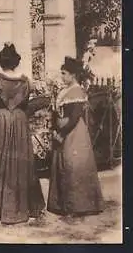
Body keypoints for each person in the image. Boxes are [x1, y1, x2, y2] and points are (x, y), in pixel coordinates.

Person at [0, 43, 45, 224]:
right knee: (21, 161)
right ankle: (21, 208)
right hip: (20, 120)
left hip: (0, 120)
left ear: (1, 62)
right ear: (16, 63)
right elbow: (27, 104)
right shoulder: (26, 82)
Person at [47, 56, 104, 217]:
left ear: (72, 75)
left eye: (64, 74)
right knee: (63, 165)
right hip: (62, 131)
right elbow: (55, 113)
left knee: (73, 166)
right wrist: (54, 128)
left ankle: (78, 205)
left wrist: (61, 133)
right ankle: (63, 204)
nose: (62, 77)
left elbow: (74, 116)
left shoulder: (77, 90)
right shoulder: (64, 91)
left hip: (73, 133)